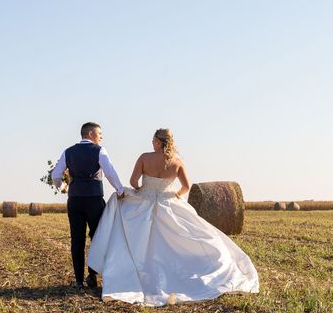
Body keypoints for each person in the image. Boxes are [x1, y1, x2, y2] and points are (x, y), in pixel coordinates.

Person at [87, 128, 259, 306]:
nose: (151, 143)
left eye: (153, 140)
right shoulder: (177, 163)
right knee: (188, 237)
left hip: (144, 200)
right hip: (167, 201)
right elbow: (186, 187)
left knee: (129, 229)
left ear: (159, 142)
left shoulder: (144, 158)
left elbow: (132, 182)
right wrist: (174, 194)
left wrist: (140, 190)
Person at [51, 122, 124, 289]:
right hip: (94, 199)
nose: (101, 137)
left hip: (75, 199)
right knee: (97, 237)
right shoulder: (99, 150)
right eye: (99, 133)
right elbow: (110, 172)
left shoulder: (68, 152)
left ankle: (78, 280)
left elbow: (55, 174)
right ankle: (92, 275)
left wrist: (63, 187)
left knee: (77, 239)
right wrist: (120, 190)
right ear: (91, 134)